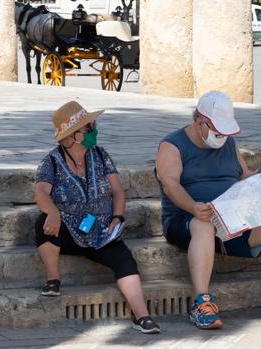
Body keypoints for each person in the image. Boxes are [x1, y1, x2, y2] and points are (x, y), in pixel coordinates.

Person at [155, 91, 261, 330]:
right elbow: (170, 185)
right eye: (218, 132)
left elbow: (243, 176)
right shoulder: (173, 145)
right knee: (203, 224)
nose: (222, 137)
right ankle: (201, 302)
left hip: (230, 219)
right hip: (187, 219)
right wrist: (193, 207)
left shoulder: (228, 143)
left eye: (225, 133)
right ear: (200, 122)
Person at [34, 101, 160, 334]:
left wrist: (117, 218)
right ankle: (53, 279)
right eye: (88, 128)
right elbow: (41, 192)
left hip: (100, 229)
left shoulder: (101, 155)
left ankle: (142, 316)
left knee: (124, 259)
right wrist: (52, 211)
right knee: (43, 224)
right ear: (73, 136)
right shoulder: (51, 161)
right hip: (69, 229)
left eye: (92, 125)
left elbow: (117, 192)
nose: (94, 130)